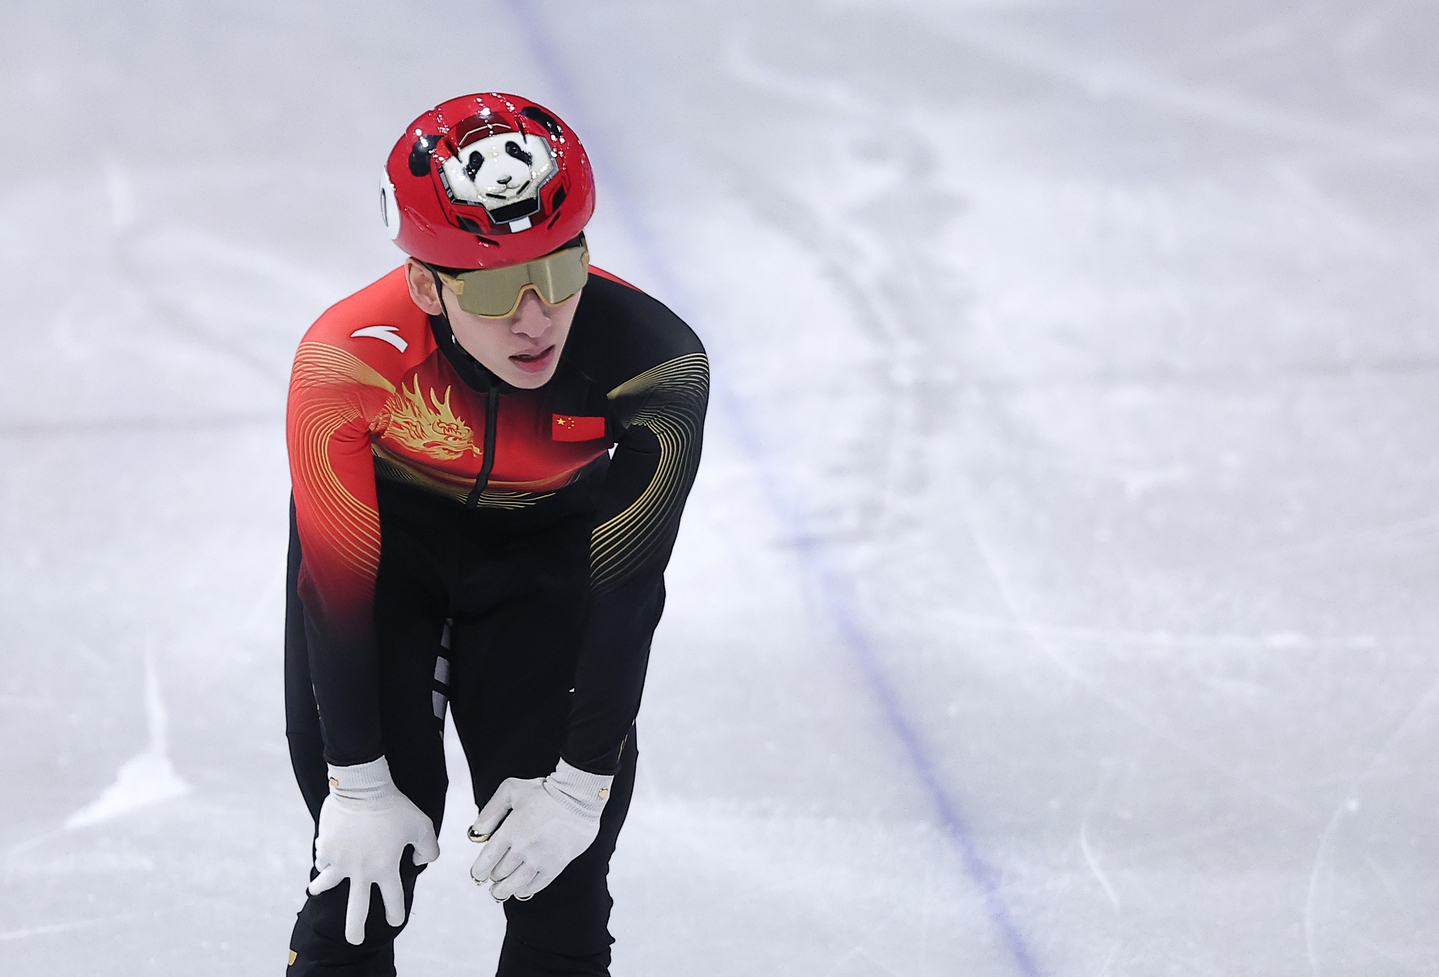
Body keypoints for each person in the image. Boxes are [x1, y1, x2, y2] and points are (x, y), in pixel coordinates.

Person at [282, 92, 708, 977]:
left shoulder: (654, 365)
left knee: (561, 889)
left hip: (544, 575)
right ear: (425, 285)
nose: (532, 316)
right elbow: (335, 583)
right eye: (488, 286)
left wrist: (583, 781)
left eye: (557, 272)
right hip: (386, 573)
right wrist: (355, 782)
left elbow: (629, 588)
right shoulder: (344, 361)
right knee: (356, 894)